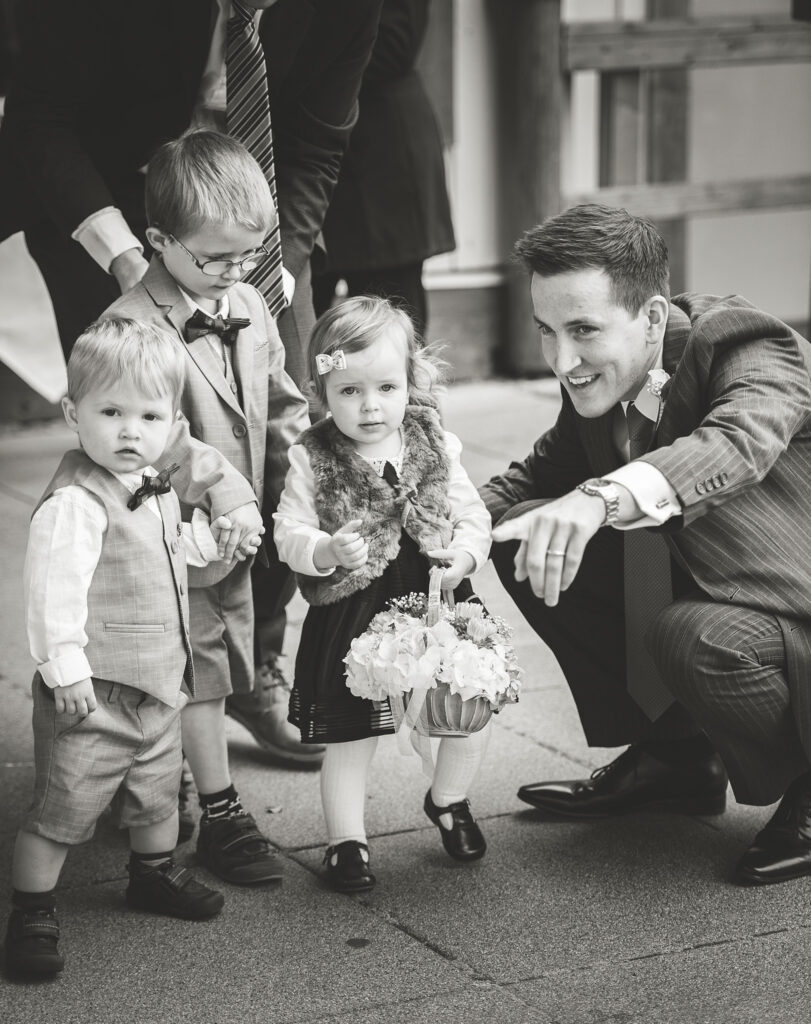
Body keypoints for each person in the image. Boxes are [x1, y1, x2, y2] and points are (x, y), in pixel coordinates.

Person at [0, 0, 383, 761]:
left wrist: (265, 267)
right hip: (114, 212)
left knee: (282, 442)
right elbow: (41, 118)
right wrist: (128, 260)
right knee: (134, 446)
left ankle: (251, 667)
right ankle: (139, 686)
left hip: (254, 227)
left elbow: (316, 145)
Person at [481, 203, 811, 887]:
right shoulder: (603, 380)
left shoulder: (747, 344)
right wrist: (435, 529)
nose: (560, 361)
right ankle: (673, 761)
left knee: (694, 636)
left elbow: (736, 442)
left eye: (582, 330)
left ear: (653, 318)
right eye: (545, 330)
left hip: (792, 599)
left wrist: (599, 499)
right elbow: (532, 478)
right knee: (526, 529)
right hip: (720, 580)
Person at [5, 318, 262, 978]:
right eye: (111, 412)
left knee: (156, 795)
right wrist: (63, 666)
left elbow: (168, 554)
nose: (129, 431)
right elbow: (52, 592)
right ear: (74, 413)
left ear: (171, 423)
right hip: (93, 694)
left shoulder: (154, 486)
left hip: (158, 687)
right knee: (63, 806)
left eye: (148, 416)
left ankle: (153, 873)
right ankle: (32, 909)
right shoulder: (75, 502)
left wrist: (212, 544)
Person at [104, 130, 311, 880]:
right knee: (195, 667)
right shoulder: (128, 327)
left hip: (235, 536)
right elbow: (147, 441)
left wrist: (310, 479)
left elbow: (281, 403)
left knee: (212, 661)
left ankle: (170, 776)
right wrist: (226, 491)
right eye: (216, 258)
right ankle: (217, 810)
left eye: (248, 255)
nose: (234, 272)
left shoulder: (248, 301)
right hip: (165, 533)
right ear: (159, 240)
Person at [273, 296, 492, 892]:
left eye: (386, 388)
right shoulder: (312, 456)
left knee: (465, 712)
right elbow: (289, 530)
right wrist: (324, 550)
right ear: (321, 391)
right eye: (349, 391)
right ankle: (347, 841)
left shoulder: (435, 442)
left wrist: (466, 555)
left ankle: (448, 800)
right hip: (356, 607)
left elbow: (472, 515)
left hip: (436, 600)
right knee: (351, 734)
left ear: (410, 381)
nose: (370, 406)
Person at [312, 0, 455, 338]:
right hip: (313, 149)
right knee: (301, 312)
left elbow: (394, 47)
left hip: (379, 155)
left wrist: (294, 63)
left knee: (390, 323)